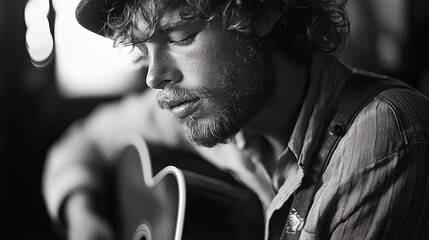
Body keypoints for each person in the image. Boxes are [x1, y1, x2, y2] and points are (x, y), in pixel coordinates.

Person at [42, 0, 429, 239]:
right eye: (144, 48)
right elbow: (83, 142)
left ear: (263, 11)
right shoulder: (206, 110)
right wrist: (84, 217)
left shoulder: (384, 142)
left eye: (180, 37)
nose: (153, 76)